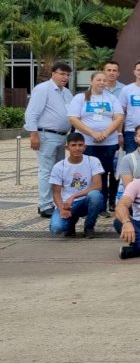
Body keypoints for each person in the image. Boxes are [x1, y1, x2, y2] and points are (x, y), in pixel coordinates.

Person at [68, 70, 124, 214]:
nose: (102, 83)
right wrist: (92, 133)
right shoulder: (80, 98)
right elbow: (73, 118)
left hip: (108, 143)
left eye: (104, 80)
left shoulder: (111, 98)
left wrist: (105, 133)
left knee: (105, 173)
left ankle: (103, 206)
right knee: (90, 174)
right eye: (98, 80)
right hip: (87, 143)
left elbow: (118, 118)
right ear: (91, 81)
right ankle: (88, 204)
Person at [24, 61, 74, 218]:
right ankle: (45, 205)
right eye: (62, 74)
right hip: (46, 135)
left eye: (67, 75)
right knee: (46, 171)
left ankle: (56, 202)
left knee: (58, 171)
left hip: (62, 136)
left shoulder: (66, 92)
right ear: (53, 73)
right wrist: (33, 134)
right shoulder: (42, 89)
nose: (65, 77)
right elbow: (31, 113)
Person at [48, 132, 105, 238]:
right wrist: (61, 209)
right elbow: (56, 193)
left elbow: (97, 186)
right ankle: (71, 221)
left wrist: (74, 196)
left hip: (86, 201)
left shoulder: (93, 161)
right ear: (67, 147)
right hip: (67, 204)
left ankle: (89, 226)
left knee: (96, 195)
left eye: (80, 145)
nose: (77, 148)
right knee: (56, 228)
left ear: (85, 146)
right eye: (73, 145)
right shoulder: (59, 167)